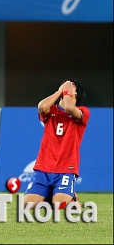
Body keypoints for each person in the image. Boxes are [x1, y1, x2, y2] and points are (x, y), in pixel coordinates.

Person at [23, 80, 89, 210]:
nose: (66, 87)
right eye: (64, 85)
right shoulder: (51, 110)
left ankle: (71, 198)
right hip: (44, 166)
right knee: (27, 205)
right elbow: (41, 107)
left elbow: (70, 108)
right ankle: (50, 196)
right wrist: (59, 92)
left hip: (66, 168)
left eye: (71, 87)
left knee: (60, 206)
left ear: (77, 95)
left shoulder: (83, 112)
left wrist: (66, 93)